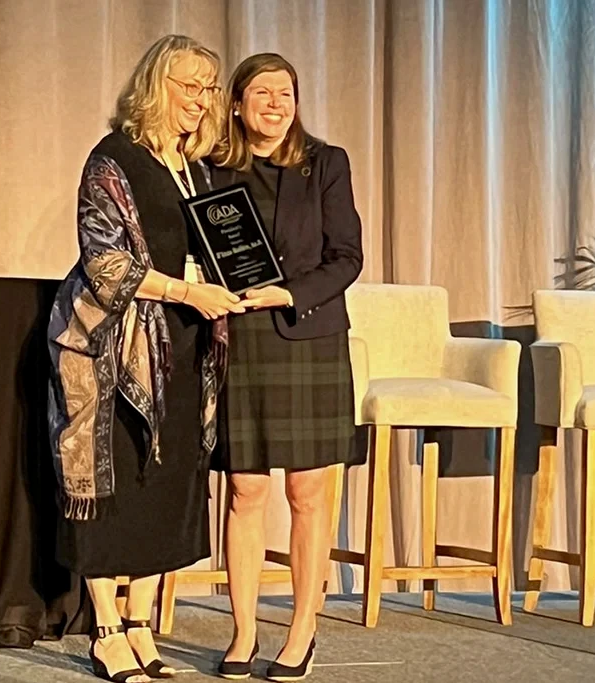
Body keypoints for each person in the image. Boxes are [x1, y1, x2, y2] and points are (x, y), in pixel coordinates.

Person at [47, 35, 244, 683]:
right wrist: (187, 289)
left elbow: (220, 247)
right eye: (191, 85)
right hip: (109, 346)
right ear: (156, 86)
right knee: (113, 486)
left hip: (183, 348)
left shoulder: (198, 166)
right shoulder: (114, 159)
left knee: (166, 489)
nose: (203, 99)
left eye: (210, 87)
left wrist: (239, 280)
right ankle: (106, 631)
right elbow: (106, 262)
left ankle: (140, 624)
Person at [210, 53, 363, 682]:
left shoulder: (326, 163)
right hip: (241, 337)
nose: (276, 103)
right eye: (263, 93)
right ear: (239, 103)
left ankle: (302, 629)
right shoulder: (210, 168)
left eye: (287, 93)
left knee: (307, 491)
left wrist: (289, 294)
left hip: (307, 335)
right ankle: (244, 629)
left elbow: (346, 258)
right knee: (245, 488)